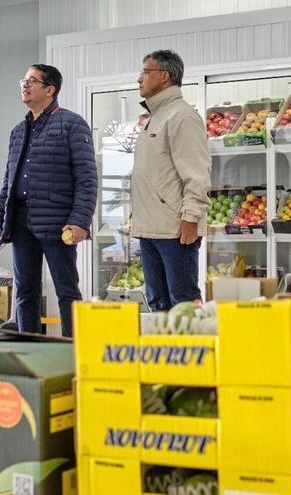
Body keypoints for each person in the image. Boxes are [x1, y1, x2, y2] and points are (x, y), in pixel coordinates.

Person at [0, 64, 97, 337]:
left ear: (50, 90)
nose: (25, 85)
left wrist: (79, 221)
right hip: (21, 222)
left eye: (32, 81)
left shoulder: (72, 124)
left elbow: (87, 178)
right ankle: (29, 349)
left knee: (67, 290)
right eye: (23, 80)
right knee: (25, 292)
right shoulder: (18, 130)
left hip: (59, 224)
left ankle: (74, 351)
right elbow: (8, 182)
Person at [131, 49, 211, 311]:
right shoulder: (155, 117)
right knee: (158, 305)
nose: (139, 78)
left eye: (145, 71)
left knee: (184, 304)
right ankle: (166, 352)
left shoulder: (182, 116)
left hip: (175, 230)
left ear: (164, 77)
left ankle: (193, 352)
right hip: (150, 229)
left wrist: (191, 218)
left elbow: (197, 174)